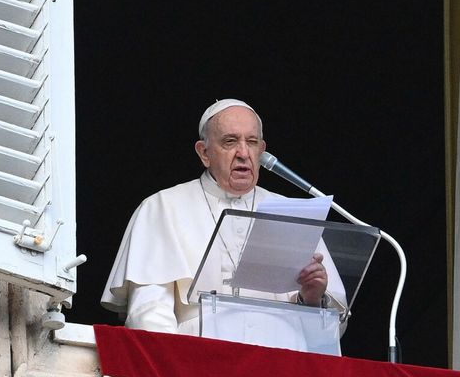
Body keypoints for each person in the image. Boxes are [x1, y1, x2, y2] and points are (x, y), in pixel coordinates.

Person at [100, 99, 345, 336]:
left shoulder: (292, 212)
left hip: (281, 364)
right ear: (204, 152)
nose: (243, 153)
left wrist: (312, 299)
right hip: (198, 362)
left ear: (262, 150)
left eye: (251, 142)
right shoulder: (163, 206)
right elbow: (149, 313)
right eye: (230, 141)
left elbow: (332, 330)